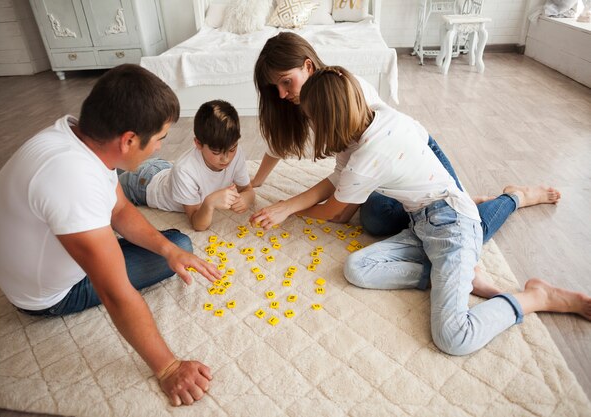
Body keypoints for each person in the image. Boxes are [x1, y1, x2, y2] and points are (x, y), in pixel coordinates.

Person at [250, 66, 591, 355]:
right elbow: (339, 177)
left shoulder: (367, 159)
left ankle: (535, 296)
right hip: (423, 222)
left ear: (326, 121)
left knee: (454, 337)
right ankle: (459, 277)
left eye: (311, 120)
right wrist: (285, 206)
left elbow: (335, 213)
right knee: (357, 267)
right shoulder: (376, 115)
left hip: (455, 224)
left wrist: (288, 212)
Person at [0, 64, 222, 407]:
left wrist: (169, 251)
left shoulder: (77, 138)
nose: (158, 149)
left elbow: (120, 210)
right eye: (159, 140)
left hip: (18, 260)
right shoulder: (75, 181)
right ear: (128, 140)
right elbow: (115, 293)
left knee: (176, 246)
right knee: (176, 246)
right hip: (46, 297)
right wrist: (168, 368)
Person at [252, 32, 561, 241]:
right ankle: (456, 203)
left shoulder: (344, 96)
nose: (280, 95)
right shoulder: (301, 101)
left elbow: (338, 209)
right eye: (274, 88)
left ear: (307, 66)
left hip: (417, 153)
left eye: (285, 82)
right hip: (381, 168)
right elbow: (298, 155)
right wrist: (256, 184)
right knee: (375, 220)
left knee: (469, 231)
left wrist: (292, 207)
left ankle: (514, 197)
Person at [119, 99, 254, 231]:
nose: (226, 159)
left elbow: (247, 189)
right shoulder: (184, 170)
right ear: (198, 144)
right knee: (106, 181)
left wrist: (246, 198)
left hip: (165, 169)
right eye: (216, 152)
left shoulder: (237, 153)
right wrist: (209, 203)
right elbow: (198, 224)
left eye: (231, 149)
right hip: (142, 184)